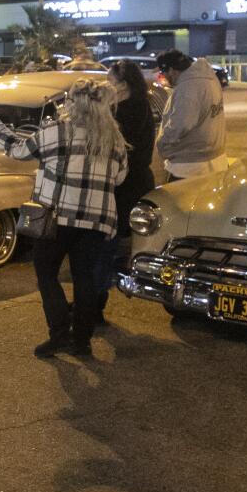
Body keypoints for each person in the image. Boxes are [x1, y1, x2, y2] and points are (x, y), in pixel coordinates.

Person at [0, 78, 129, 359]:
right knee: (84, 277)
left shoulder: (56, 131)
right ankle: (82, 342)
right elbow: (120, 177)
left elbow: (17, 149)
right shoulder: (115, 139)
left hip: (57, 218)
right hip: (96, 221)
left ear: (74, 104)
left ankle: (60, 332)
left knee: (46, 272)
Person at [92, 59, 158, 328]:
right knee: (111, 247)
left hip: (123, 186)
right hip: (137, 182)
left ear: (123, 85)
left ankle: (95, 306)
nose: (109, 87)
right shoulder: (142, 106)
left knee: (105, 247)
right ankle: (95, 302)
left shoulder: (124, 112)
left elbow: (116, 151)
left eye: (111, 83)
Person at [154, 49, 228, 181]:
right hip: (215, 161)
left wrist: (162, 143)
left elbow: (180, 124)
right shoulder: (209, 79)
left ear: (171, 70)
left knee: (179, 201)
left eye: (163, 72)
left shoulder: (188, 87)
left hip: (190, 166)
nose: (163, 77)